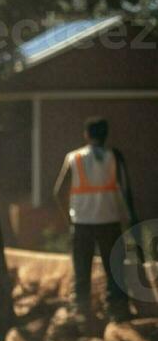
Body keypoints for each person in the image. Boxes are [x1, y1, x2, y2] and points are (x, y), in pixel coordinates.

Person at [52, 117, 132, 321]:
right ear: (106, 134)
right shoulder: (115, 156)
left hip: (81, 223)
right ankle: (118, 312)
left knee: (81, 270)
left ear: (86, 135)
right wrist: (129, 219)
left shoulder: (74, 157)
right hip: (110, 221)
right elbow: (126, 190)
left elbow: (58, 191)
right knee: (114, 269)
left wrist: (69, 219)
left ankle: (82, 313)